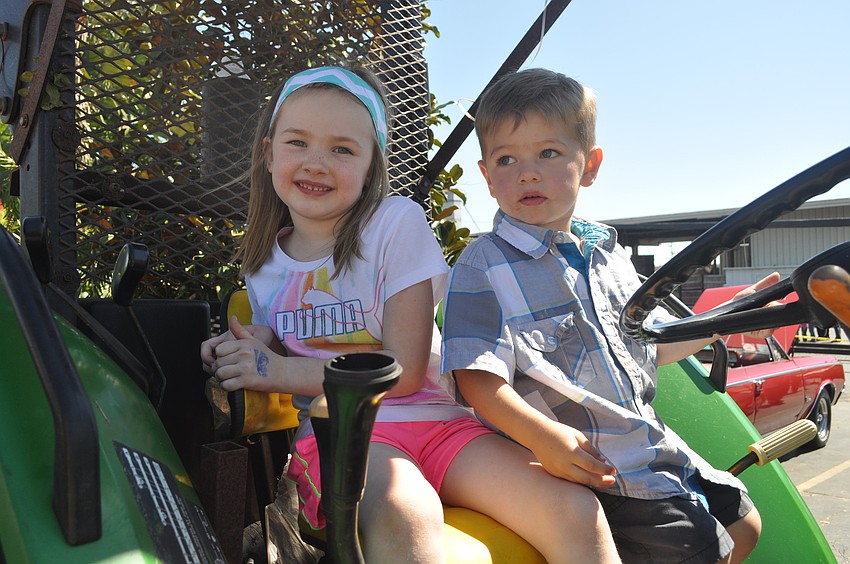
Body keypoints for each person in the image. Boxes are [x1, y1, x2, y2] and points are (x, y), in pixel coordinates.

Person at [200, 65, 620, 563]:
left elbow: (402, 371)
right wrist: (254, 345)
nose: (316, 162)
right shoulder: (264, 262)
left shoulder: (395, 224)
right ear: (269, 154)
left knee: (576, 511)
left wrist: (277, 369)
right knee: (407, 512)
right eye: (297, 143)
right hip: (346, 436)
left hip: (441, 422)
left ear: (370, 164)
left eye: (342, 149)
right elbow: (292, 341)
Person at [441, 68, 771, 564]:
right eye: (507, 159)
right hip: (591, 464)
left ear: (590, 165)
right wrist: (543, 438)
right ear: (487, 176)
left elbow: (650, 345)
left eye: (547, 153)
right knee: (701, 549)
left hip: (651, 445)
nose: (526, 172)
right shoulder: (482, 264)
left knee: (745, 523)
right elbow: (475, 377)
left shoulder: (609, 256)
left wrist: (730, 316)